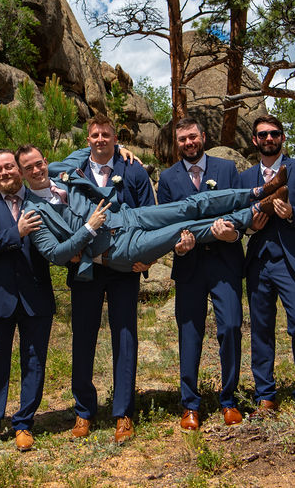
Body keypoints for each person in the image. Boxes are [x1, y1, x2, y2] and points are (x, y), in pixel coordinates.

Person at [16, 143, 272, 441]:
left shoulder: (64, 168)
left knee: (188, 209)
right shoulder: (32, 211)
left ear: (46, 161)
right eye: (29, 168)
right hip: (97, 264)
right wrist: (87, 229)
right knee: (84, 340)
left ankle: (256, 196)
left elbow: (96, 142)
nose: (36, 170)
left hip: (128, 224)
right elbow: (56, 254)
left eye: (39, 164)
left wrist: (121, 146)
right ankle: (84, 413)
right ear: (22, 173)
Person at [45, 115, 155, 443]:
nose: (99, 139)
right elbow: (55, 211)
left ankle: (123, 413)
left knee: (125, 336)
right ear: (88, 139)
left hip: (123, 269)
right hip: (85, 270)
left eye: (105, 134)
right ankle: (83, 411)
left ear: (115, 137)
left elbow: (149, 216)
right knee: (83, 337)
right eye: (94, 135)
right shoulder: (71, 173)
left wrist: (146, 257)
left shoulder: (133, 171)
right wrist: (69, 250)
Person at [238, 115, 295, 416]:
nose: (268, 139)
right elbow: (238, 220)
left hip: (293, 263)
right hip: (258, 263)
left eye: (274, 134)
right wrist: (250, 226)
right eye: (262, 134)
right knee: (261, 330)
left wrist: (293, 213)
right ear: (254, 140)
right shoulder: (245, 178)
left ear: (282, 138)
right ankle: (265, 395)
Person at [156, 118, 245, 431]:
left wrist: (232, 234)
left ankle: (229, 400)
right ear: (176, 143)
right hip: (189, 265)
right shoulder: (167, 179)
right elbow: (165, 224)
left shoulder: (227, 169)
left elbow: (240, 212)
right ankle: (190, 405)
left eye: (192, 136)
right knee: (190, 334)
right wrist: (179, 247)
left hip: (226, 263)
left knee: (231, 327)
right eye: (182, 139)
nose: (188, 143)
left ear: (203, 137)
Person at [0, 149, 56, 453]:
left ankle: (23, 424)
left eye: (9, 167)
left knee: (34, 363)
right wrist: (15, 233)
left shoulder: (40, 201)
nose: (4, 173)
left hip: (36, 297)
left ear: (19, 170)